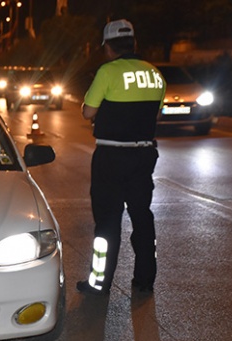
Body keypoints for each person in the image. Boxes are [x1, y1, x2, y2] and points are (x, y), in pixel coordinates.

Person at [76, 19, 166, 296]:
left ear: (108, 47)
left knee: (107, 222)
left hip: (111, 157)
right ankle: (145, 279)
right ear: (134, 43)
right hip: (143, 155)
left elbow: (88, 112)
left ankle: (99, 283)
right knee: (142, 217)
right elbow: (156, 114)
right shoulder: (154, 74)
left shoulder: (108, 71)